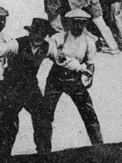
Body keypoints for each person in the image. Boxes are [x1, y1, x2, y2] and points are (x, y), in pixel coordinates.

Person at [0, 17, 54, 156]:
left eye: (43, 34)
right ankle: (3, 158)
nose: (39, 37)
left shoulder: (47, 47)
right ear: (30, 33)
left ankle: (44, 154)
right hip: (12, 87)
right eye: (36, 33)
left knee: (43, 116)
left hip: (31, 87)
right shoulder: (16, 44)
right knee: (8, 122)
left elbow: (61, 59)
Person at [42, 9, 103, 148]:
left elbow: (90, 63)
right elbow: (51, 51)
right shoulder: (59, 38)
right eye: (76, 23)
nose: (79, 26)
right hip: (55, 79)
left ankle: (99, 147)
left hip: (74, 81)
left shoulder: (89, 42)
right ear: (69, 23)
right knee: (46, 115)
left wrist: (90, 76)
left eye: (82, 23)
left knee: (89, 114)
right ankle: (44, 152)